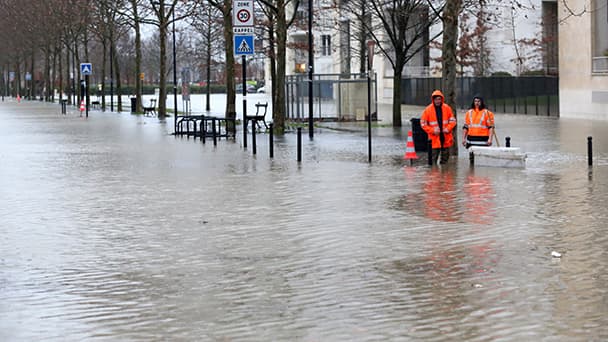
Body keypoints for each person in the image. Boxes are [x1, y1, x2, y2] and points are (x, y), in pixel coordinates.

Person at [420, 90, 457, 165]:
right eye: (436, 99)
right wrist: (433, 130)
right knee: (433, 161)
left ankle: (443, 175)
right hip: (434, 139)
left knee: (445, 161)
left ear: (442, 99)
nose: (438, 101)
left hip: (445, 138)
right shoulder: (428, 110)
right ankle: (435, 176)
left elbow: (453, 121)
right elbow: (423, 124)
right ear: (433, 100)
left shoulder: (447, 108)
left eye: (439, 99)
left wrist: (448, 128)